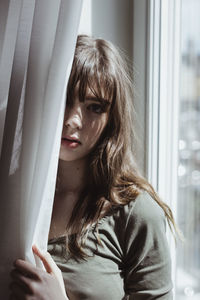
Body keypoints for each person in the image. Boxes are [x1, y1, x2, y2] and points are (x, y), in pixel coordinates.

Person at [9, 35, 176, 300]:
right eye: (64, 99)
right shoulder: (13, 194)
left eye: (94, 107)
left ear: (112, 119)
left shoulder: (136, 214)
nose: (72, 120)